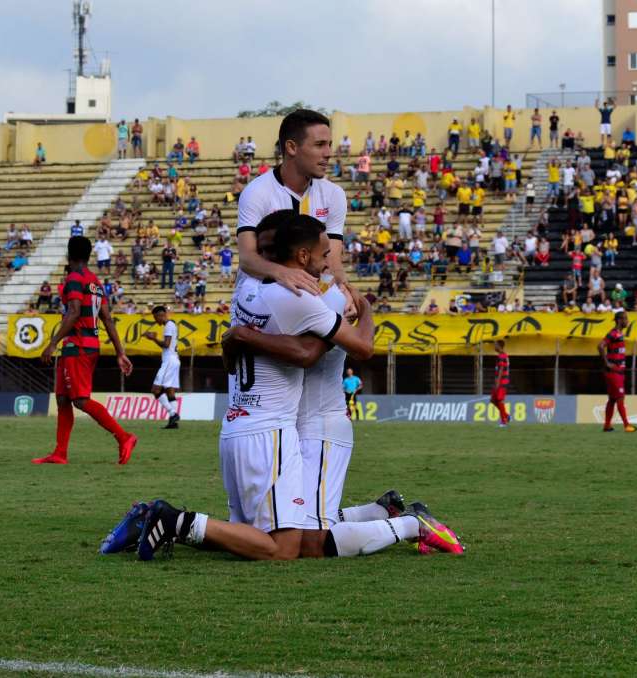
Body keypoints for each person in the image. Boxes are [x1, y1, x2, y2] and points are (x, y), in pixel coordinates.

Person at [110, 213, 462, 562]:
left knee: (278, 537)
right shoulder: (308, 298)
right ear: (302, 255)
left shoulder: (246, 289)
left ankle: (383, 511)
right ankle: (410, 525)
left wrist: (241, 335)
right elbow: (335, 350)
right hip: (278, 430)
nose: (330, 266)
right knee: (297, 545)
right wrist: (364, 307)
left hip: (249, 426)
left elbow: (240, 355)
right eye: (325, 255)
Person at [34, 236, 137, 465]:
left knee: (80, 400)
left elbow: (73, 311)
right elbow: (108, 319)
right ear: (90, 255)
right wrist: (120, 352)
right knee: (62, 398)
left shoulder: (74, 279)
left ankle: (124, 436)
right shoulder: (95, 283)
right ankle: (60, 453)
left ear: (69, 255)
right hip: (87, 345)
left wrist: (52, 343)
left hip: (77, 345)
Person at [235, 109, 348, 301]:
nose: (328, 153)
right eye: (320, 145)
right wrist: (283, 273)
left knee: (343, 307)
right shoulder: (257, 192)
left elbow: (332, 261)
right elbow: (247, 259)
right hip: (258, 300)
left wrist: (344, 291)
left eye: (329, 144)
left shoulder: (334, 194)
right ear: (291, 148)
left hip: (308, 298)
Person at [599, 310, 637, 433]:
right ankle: (627, 425)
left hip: (618, 371)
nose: (627, 321)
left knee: (612, 399)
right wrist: (606, 363)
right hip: (614, 371)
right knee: (620, 397)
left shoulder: (619, 334)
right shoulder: (613, 334)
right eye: (625, 319)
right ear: (620, 320)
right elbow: (600, 346)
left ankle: (607, 425)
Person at [144, 306, 181, 429]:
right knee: (170, 390)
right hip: (174, 359)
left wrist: (153, 338)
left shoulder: (169, 325)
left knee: (155, 390)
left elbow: (166, 344)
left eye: (155, 318)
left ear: (161, 315)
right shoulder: (171, 325)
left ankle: (173, 414)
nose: (156, 321)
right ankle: (173, 422)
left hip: (169, 361)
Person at [490, 339, 510, 427]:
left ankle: (504, 421)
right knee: (493, 400)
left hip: (502, 381)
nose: (494, 347)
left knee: (500, 400)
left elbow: (501, 369)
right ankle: (506, 415)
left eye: (495, 345)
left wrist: (497, 382)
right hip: (499, 381)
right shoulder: (503, 355)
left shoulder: (502, 356)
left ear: (499, 346)